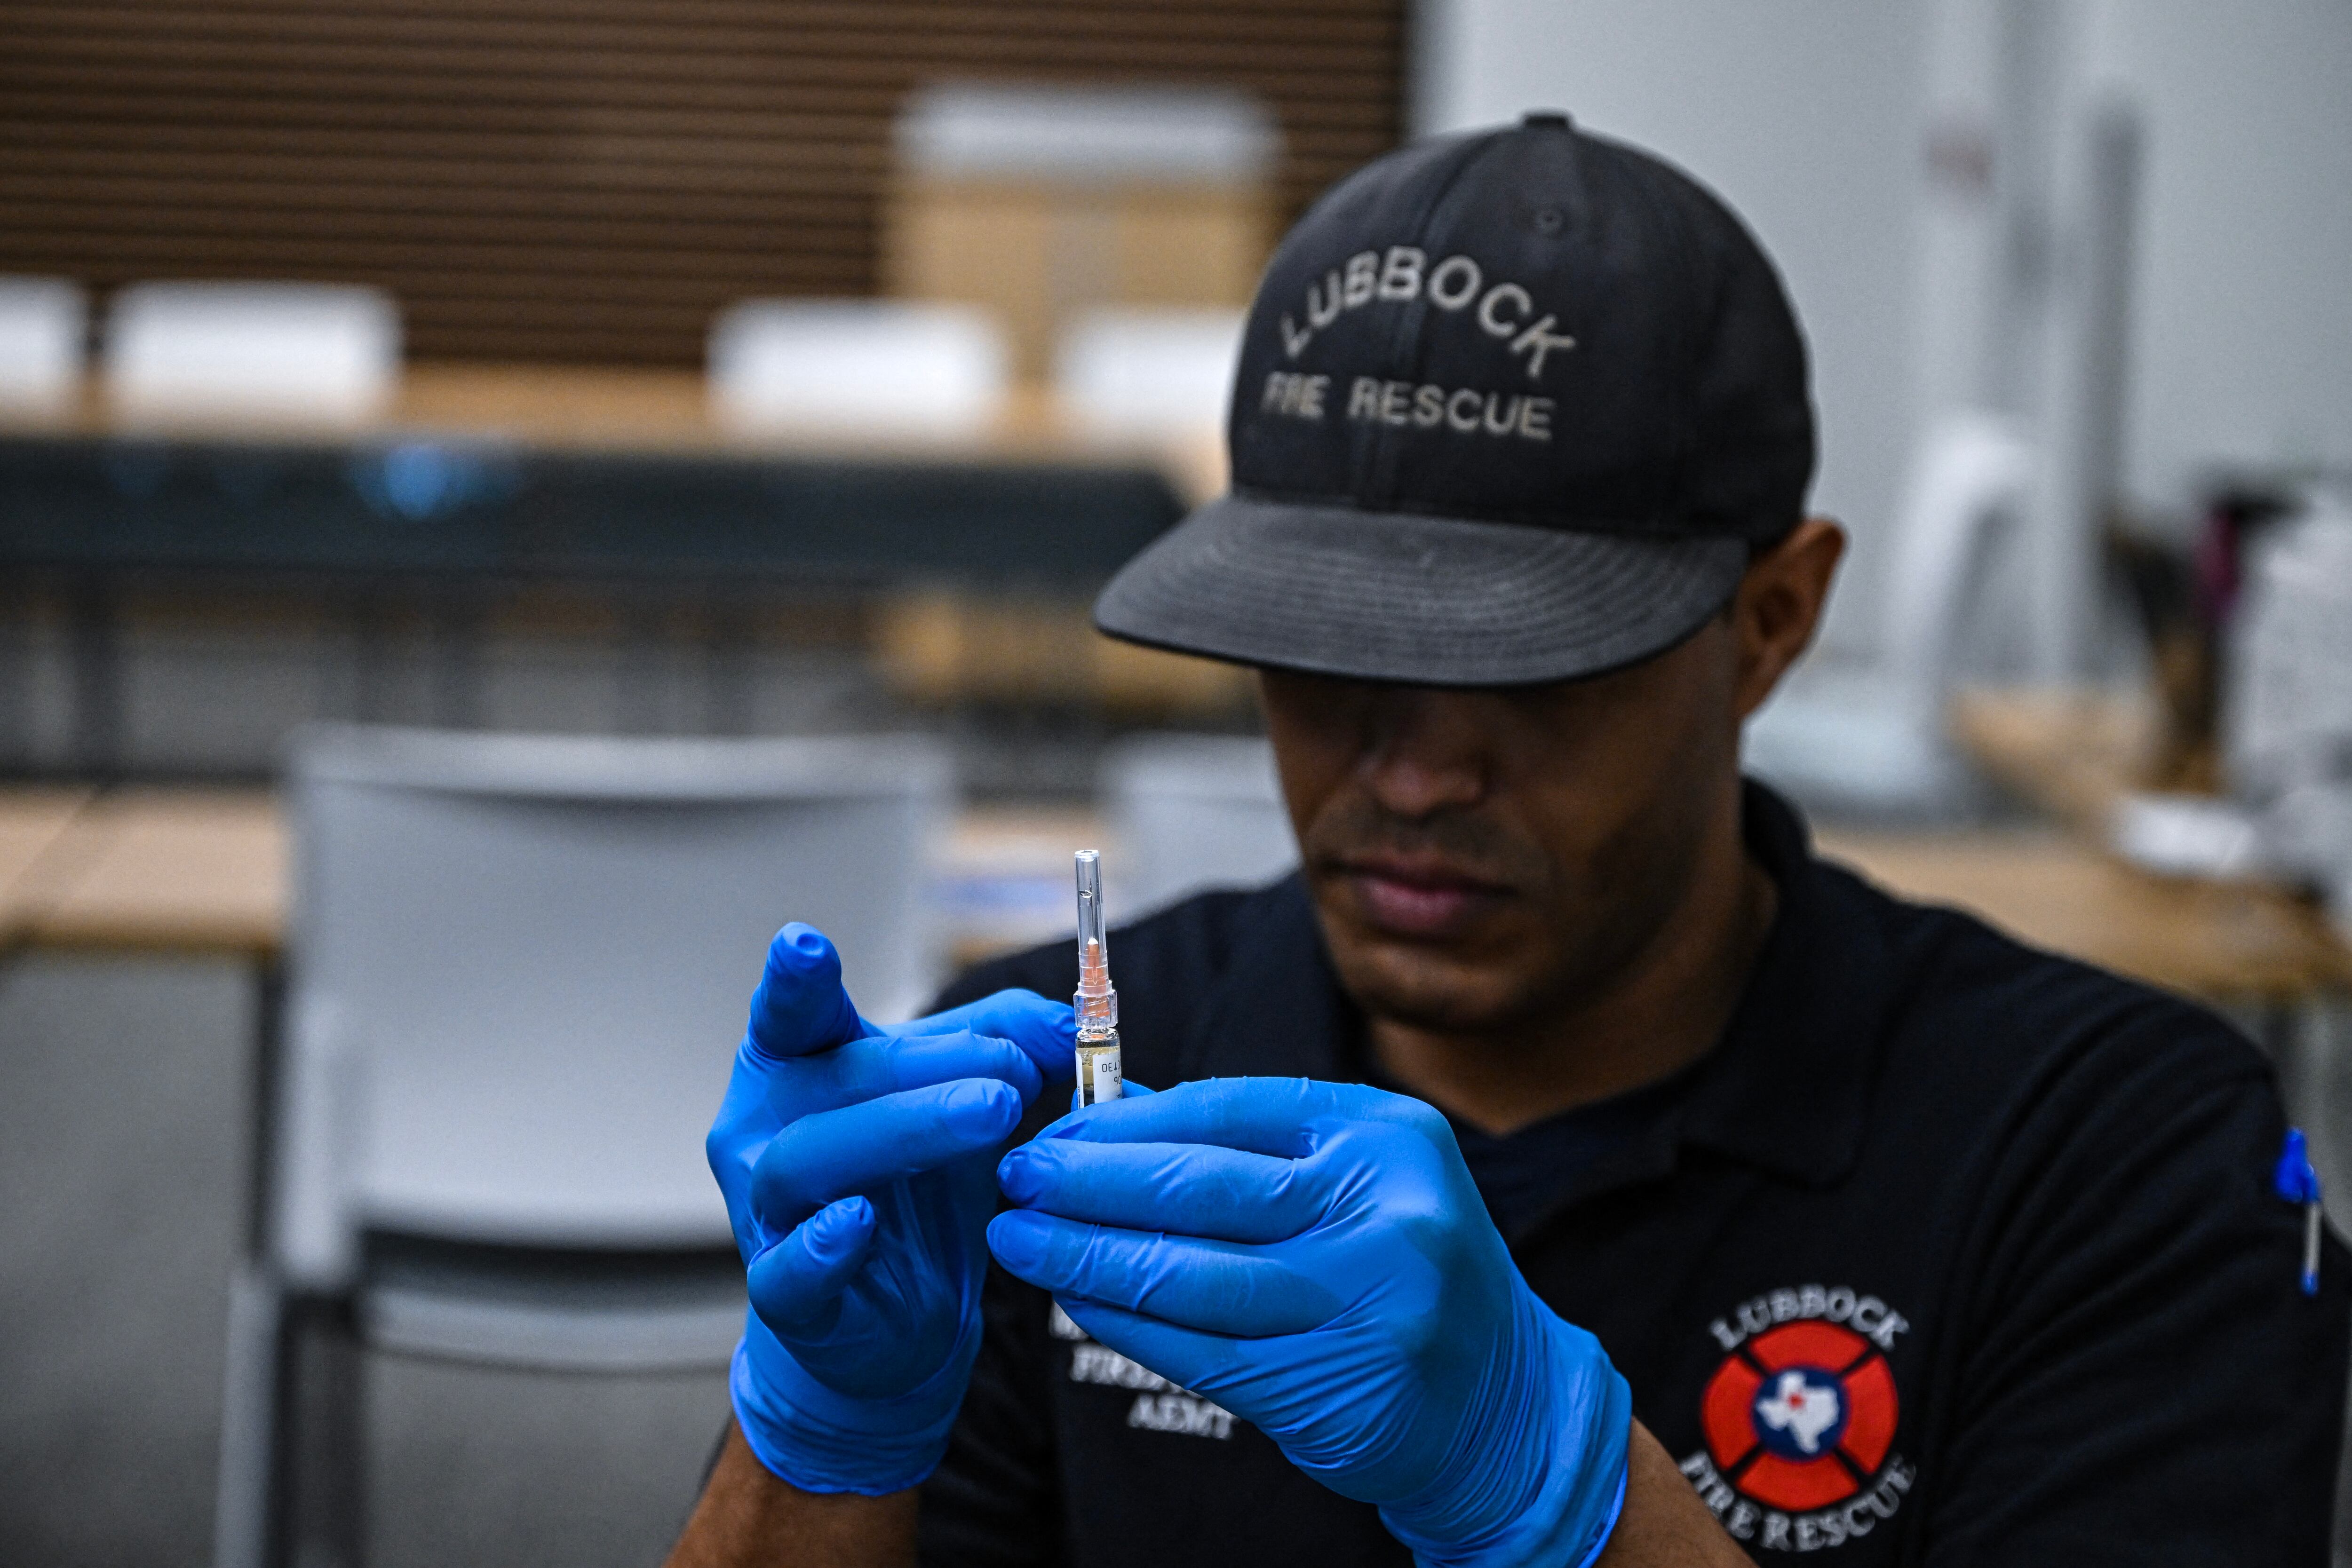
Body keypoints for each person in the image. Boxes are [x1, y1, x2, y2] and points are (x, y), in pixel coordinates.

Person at [669, 115, 2347, 1567]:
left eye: (1523, 670)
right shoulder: (1060, 1096)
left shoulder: (2105, 1158)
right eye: (1322, 659)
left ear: (1771, 620)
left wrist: (1569, 1506)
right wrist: (818, 1441)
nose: (1407, 774)